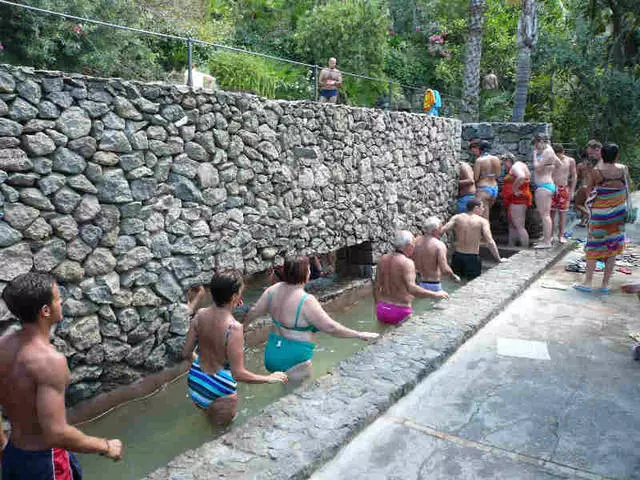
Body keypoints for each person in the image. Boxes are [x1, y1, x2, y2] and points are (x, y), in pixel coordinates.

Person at [0, 273, 123, 479]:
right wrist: (105, 445)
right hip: (44, 462)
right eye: (58, 298)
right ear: (45, 311)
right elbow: (56, 433)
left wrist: (2, 443)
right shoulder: (50, 361)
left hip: (13, 454)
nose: (62, 302)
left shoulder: (3, 347)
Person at [244, 257, 379, 381]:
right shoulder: (306, 301)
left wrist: (242, 330)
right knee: (297, 397)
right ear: (306, 273)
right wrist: (359, 334)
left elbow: (254, 311)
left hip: (272, 354)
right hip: (295, 360)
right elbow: (330, 327)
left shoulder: (272, 290)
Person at [182, 273, 288, 425]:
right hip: (220, 391)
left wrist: (201, 365)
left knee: (208, 421)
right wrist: (268, 378)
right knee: (221, 434)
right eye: (240, 293)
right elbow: (238, 374)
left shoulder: (200, 314)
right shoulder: (234, 328)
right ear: (233, 298)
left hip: (196, 381)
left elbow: (186, 353)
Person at [574, 143, 630, 294]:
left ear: (602, 154)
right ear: (617, 155)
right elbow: (627, 187)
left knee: (593, 246)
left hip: (599, 215)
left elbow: (589, 189)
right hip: (617, 215)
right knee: (612, 248)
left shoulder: (596, 171)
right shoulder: (623, 169)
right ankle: (605, 285)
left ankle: (588, 282)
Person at [374, 230, 449, 325]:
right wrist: (435, 294)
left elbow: (376, 285)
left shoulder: (382, 259)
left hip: (382, 309)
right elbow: (412, 289)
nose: (414, 247)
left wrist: (377, 305)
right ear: (408, 246)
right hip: (400, 310)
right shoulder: (407, 263)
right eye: (413, 244)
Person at [441, 198, 504, 280]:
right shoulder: (482, 221)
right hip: (472, 258)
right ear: (476, 208)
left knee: (455, 282)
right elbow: (490, 241)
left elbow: (442, 230)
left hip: (457, 256)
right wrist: (498, 259)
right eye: (482, 207)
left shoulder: (457, 218)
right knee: (472, 284)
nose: (483, 209)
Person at [413, 217, 461, 293]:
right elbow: (444, 269)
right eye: (440, 228)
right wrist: (454, 276)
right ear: (435, 230)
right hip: (433, 284)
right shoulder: (439, 245)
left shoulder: (414, 241)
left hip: (416, 284)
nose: (441, 231)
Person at [532, 133, 559, 248]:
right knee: (544, 214)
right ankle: (546, 238)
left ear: (541, 141)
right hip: (546, 184)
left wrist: (534, 155)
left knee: (545, 215)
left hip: (544, 186)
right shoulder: (550, 151)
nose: (536, 147)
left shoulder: (547, 151)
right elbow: (559, 163)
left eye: (536, 144)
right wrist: (549, 169)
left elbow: (536, 167)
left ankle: (547, 242)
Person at [501, 152, 532, 247]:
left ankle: (525, 250)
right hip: (514, 199)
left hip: (518, 199)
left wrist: (514, 190)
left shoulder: (515, 167)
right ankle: (511, 245)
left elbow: (522, 177)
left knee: (519, 226)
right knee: (512, 224)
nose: (504, 166)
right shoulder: (520, 165)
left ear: (508, 160)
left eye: (503, 163)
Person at [551, 144, 577, 244]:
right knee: (551, 213)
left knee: (563, 213)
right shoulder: (551, 159)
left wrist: (572, 190)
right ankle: (550, 235)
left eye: (559, 156)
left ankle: (561, 235)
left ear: (563, 152)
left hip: (563, 188)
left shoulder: (570, 160)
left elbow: (574, 175)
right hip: (552, 187)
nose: (558, 158)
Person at [471, 139, 501, 221]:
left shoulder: (479, 160)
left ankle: (484, 234)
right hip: (494, 188)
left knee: (483, 218)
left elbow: (475, 178)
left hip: (483, 188)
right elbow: (498, 175)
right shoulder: (496, 159)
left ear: (480, 149)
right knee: (486, 213)